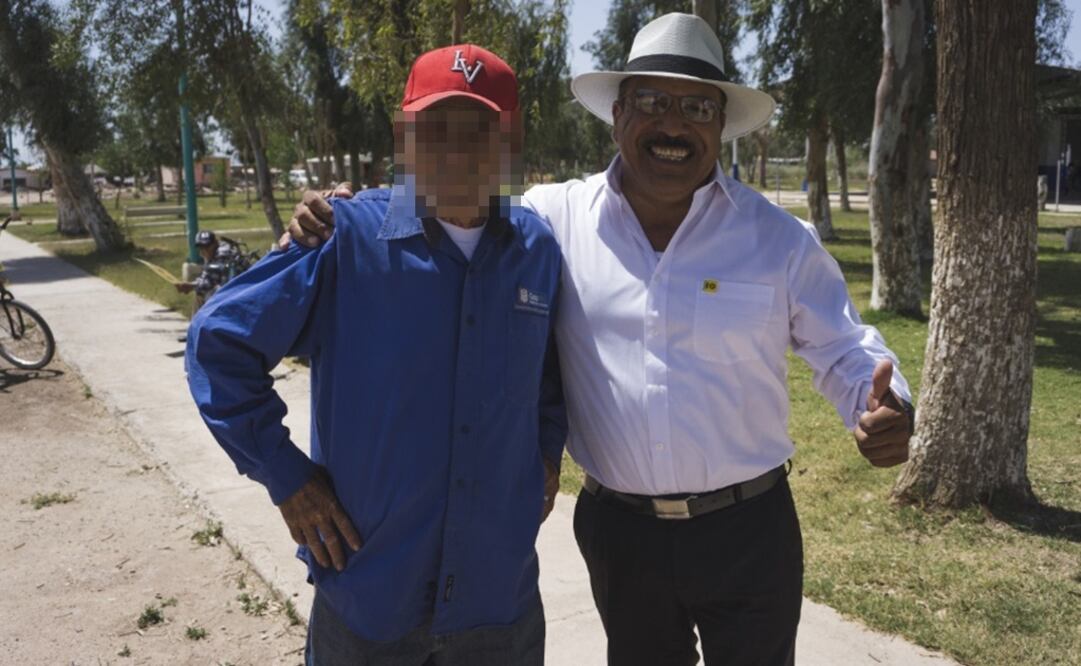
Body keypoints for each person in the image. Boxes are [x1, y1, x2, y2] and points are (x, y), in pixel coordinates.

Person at [287, 14, 915, 666]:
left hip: (748, 532)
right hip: (621, 535)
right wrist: (343, 215)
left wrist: (881, 400)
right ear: (616, 115)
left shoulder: (777, 240)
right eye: (651, 102)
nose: (672, 125)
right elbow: (456, 204)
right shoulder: (551, 220)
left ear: (720, 125)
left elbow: (844, 347)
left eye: (696, 107)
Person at [186, 44, 565, 666]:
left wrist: (547, 449)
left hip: (499, 604)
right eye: (435, 128)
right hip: (370, 601)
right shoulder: (343, 236)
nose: (456, 148)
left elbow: (551, 373)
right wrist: (288, 479)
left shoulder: (537, 251)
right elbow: (218, 344)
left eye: (479, 129)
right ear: (403, 135)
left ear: (510, 139)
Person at [174, 230, 253, 302]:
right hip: (234, 291)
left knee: (202, 294)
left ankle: (199, 318)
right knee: (200, 292)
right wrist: (192, 285)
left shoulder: (223, 253)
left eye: (207, 246)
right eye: (201, 247)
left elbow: (208, 282)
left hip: (240, 292)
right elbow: (207, 277)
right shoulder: (213, 254)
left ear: (215, 243)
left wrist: (191, 286)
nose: (205, 250)